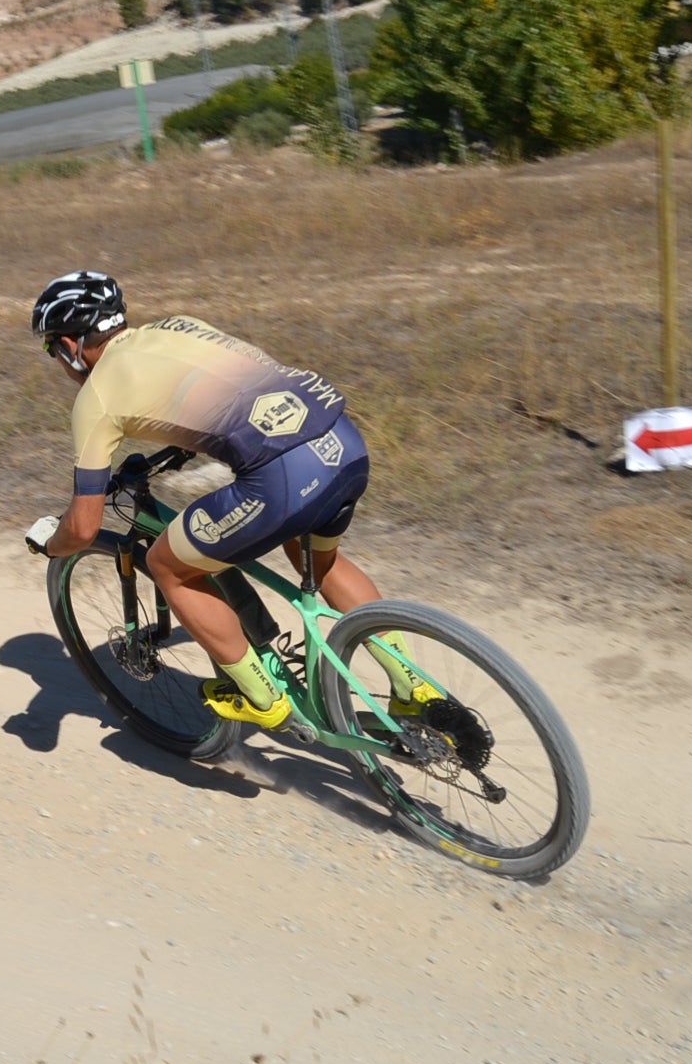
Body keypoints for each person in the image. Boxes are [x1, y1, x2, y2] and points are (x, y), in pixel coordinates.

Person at [21, 271, 429, 734]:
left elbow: (83, 529)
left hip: (283, 474)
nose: (55, 359)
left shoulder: (96, 397)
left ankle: (261, 697)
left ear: (72, 346)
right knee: (313, 555)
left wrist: (48, 544)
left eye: (51, 348)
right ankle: (414, 687)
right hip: (342, 439)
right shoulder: (177, 325)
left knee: (168, 566)